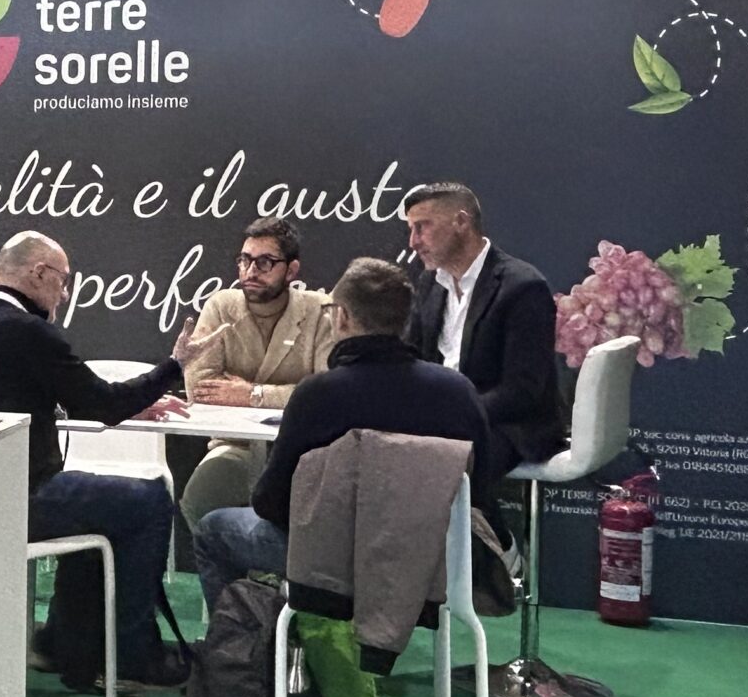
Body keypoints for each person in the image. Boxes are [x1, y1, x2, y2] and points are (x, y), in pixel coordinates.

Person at [0, 230, 199, 693]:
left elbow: (47, 397)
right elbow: (101, 403)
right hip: (26, 498)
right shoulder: (30, 332)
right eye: (63, 281)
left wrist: (133, 404)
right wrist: (173, 366)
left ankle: (64, 642)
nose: (64, 294)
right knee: (149, 500)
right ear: (39, 273)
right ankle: (131, 652)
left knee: (101, 507)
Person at [193, 257, 493, 616]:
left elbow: (270, 502)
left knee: (212, 530)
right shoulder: (458, 393)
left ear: (343, 317)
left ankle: (244, 644)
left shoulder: (318, 395)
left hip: (330, 569)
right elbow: (480, 486)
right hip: (433, 565)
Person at [165, 217, 338, 528]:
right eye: (244, 260)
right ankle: (224, 563)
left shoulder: (320, 311)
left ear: (291, 270)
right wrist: (291, 391)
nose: (250, 271)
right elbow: (201, 388)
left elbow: (326, 396)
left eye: (264, 262)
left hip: (303, 450)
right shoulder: (221, 306)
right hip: (237, 446)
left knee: (305, 514)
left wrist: (253, 394)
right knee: (198, 499)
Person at [399, 182, 565, 469]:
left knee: (434, 463)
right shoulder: (429, 283)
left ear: (461, 222)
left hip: (508, 426)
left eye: (422, 227)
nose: (413, 242)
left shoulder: (523, 287)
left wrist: (451, 414)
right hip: (442, 420)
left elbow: (522, 390)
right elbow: (410, 357)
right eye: (411, 229)